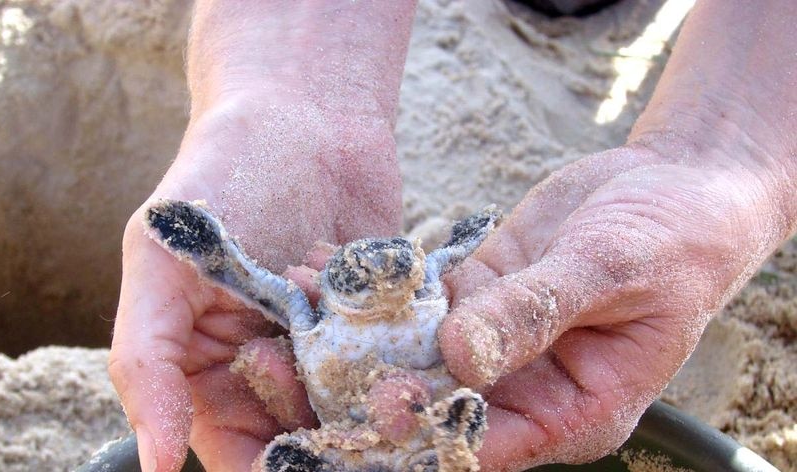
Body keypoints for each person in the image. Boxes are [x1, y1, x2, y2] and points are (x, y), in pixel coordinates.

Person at [107, 1, 797, 471]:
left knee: (465, 377)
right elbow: (254, 282)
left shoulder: (408, 291)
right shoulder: (338, 306)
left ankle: (439, 430)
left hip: (415, 396)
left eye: (395, 268)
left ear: (416, 271)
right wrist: (289, 101)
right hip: (360, 406)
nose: (377, 274)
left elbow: (443, 261)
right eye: (362, 271)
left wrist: (727, 158)